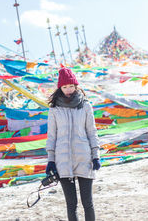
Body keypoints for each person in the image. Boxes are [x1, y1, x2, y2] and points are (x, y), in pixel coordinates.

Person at [46, 67, 101, 221]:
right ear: (60, 88)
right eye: (64, 87)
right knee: (71, 204)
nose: (68, 90)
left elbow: (92, 132)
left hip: (84, 158)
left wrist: (95, 155)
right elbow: (52, 136)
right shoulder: (54, 109)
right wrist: (51, 159)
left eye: (71, 86)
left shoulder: (85, 106)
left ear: (76, 85)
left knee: (87, 202)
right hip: (62, 161)